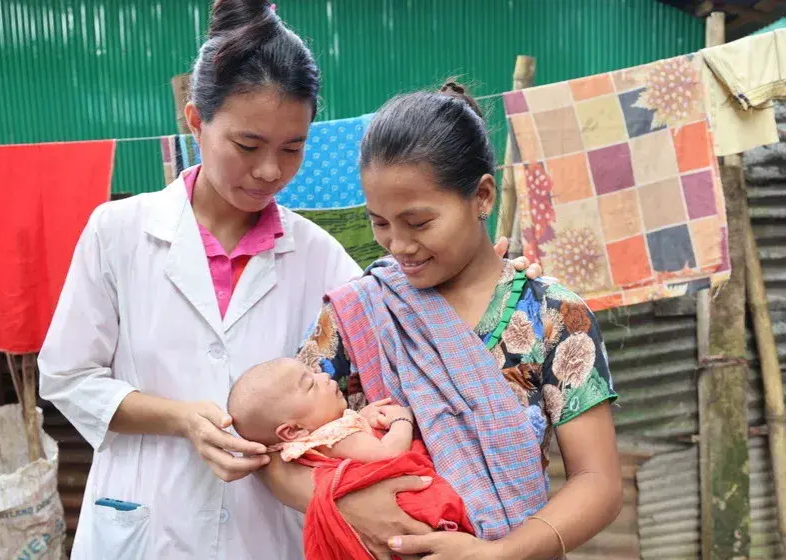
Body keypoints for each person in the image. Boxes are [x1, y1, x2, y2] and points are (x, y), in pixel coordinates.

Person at [38, 1, 537, 558]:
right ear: (196, 121)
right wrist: (181, 420)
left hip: (267, 532)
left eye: (292, 147)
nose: (271, 170)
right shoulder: (118, 232)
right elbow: (66, 376)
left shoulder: (319, 254)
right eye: (248, 146)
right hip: (146, 525)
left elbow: (403, 315)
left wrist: (489, 278)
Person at [259, 83, 623, 560]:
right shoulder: (360, 313)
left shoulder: (553, 316)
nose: (398, 246)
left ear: (483, 196)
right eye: (380, 223)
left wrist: (499, 553)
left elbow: (598, 482)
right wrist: (355, 502)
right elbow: (273, 450)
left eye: (419, 222)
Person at [227, 358, 474, 559]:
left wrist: (361, 417)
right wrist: (402, 421)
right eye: (310, 385)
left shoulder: (304, 442)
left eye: (314, 372)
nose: (324, 377)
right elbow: (388, 454)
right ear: (292, 431)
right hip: (407, 505)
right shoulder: (337, 437)